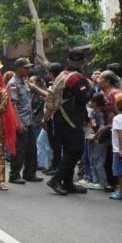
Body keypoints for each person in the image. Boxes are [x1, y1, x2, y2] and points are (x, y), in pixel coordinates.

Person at [45, 48, 92, 196]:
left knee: (68, 150)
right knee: (76, 149)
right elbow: (83, 98)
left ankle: (68, 183)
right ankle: (56, 179)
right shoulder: (76, 78)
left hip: (60, 116)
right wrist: (91, 89)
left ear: (67, 61)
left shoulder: (62, 75)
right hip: (71, 119)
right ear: (83, 61)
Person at [6, 57, 42, 184]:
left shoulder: (24, 81)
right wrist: (18, 122)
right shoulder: (13, 83)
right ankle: (14, 175)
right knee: (19, 149)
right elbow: (13, 105)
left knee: (31, 148)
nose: (28, 70)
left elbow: (34, 89)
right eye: (25, 68)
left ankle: (29, 173)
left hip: (29, 120)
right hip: (20, 121)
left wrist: (48, 94)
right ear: (18, 69)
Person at [85, 93, 107, 191]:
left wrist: (95, 136)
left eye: (91, 101)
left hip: (100, 140)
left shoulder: (99, 114)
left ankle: (101, 182)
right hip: (94, 139)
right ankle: (95, 180)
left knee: (99, 162)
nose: (89, 103)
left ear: (96, 103)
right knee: (93, 160)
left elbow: (102, 127)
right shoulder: (93, 112)